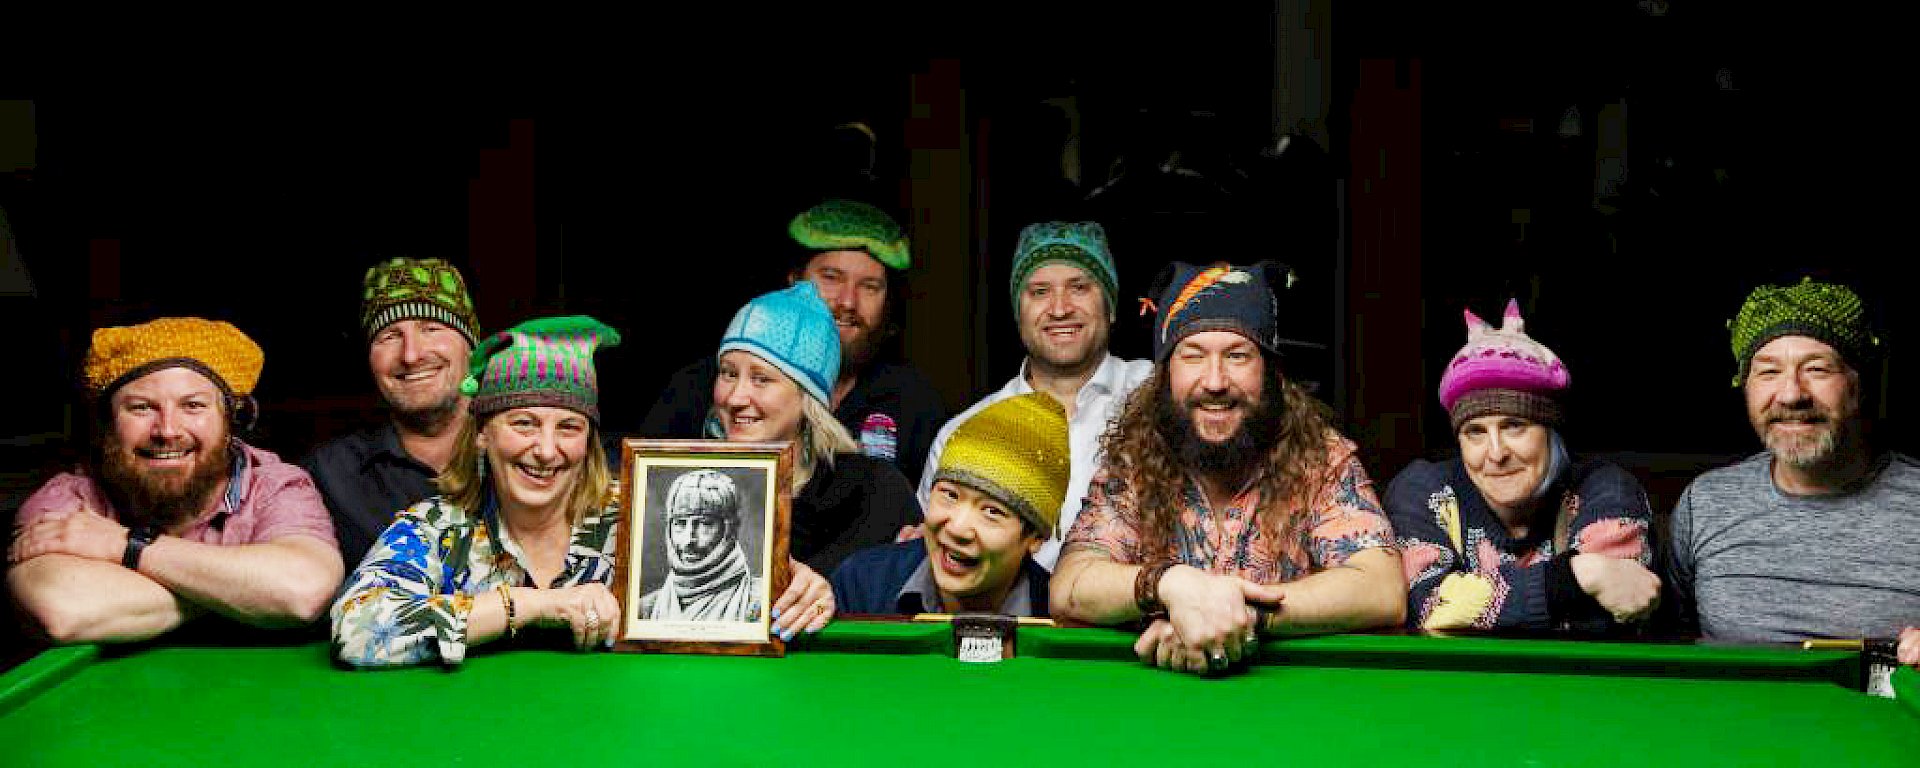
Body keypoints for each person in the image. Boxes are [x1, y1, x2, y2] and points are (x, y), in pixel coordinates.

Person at [1051, 261, 1404, 676]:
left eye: (1237, 355)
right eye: (1193, 356)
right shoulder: (1134, 462)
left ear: (1270, 371)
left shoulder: (1320, 459)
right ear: (1165, 374)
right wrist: (1171, 586)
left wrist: (1238, 614)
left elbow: (1382, 588)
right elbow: (1070, 585)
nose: (1215, 381)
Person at [8, 317, 341, 644]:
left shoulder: (274, 485)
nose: (167, 430)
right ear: (109, 424)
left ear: (231, 420)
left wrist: (124, 545)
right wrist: (247, 592)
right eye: (141, 408)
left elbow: (303, 591)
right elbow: (63, 610)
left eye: (193, 405)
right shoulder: (70, 498)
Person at [331, 316, 623, 667]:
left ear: (588, 444)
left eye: (569, 428)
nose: (546, 450)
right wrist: (532, 605)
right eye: (524, 424)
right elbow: (355, 630)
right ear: (483, 435)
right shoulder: (437, 527)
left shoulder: (633, 522)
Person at [1666, 278, 1920, 667]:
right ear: (1745, 387)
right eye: (1768, 372)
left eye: (1817, 369)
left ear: (1857, 387)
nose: (1791, 395)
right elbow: (1670, 644)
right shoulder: (1706, 503)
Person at [1386, 299, 1659, 632]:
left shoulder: (1606, 488)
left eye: (1514, 425)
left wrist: (1469, 608)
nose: (1496, 453)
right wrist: (1577, 576)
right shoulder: (1423, 490)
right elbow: (1425, 605)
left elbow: (1616, 609)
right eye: (1475, 432)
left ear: (1550, 431)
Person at [639, 198, 947, 485]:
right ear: (794, 280)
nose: (848, 302)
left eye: (869, 286)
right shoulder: (699, 389)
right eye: (831, 277)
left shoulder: (913, 400)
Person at [917, 221, 1151, 569]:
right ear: (1018, 312)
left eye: (1079, 288)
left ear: (1111, 305)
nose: (1059, 309)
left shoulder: (1161, 393)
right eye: (1039, 291)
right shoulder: (965, 431)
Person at [710, 282, 923, 640]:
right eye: (729, 372)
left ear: (808, 398)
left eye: (761, 379)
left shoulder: (874, 491)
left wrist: (832, 596)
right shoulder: (680, 479)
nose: (735, 396)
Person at [303, 256, 483, 567]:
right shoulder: (327, 474)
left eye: (431, 328)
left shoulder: (531, 451)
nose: (411, 355)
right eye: (390, 336)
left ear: (471, 346)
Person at [834, 393, 1069, 616]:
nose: (957, 528)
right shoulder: (861, 586)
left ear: (1036, 537)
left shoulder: (1058, 620)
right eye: (950, 495)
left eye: (991, 511)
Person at [640, 470, 764, 622]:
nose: (688, 540)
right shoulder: (645, 609)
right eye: (680, 523)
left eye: (705, 523)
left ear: (729, 529)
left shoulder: (762, 601)